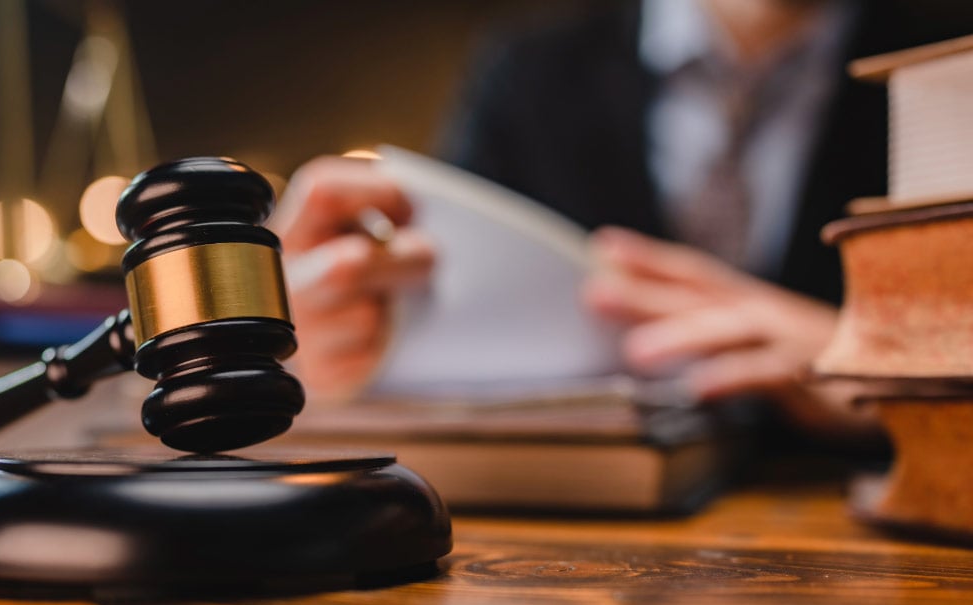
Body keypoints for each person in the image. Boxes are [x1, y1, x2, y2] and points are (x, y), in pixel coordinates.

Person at [269, 0, 973, 439]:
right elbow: (436, 306)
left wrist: (894, 371)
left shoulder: (950, 72)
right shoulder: (527, 70)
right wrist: (342, 331)